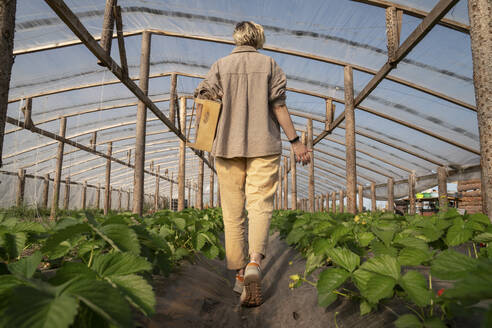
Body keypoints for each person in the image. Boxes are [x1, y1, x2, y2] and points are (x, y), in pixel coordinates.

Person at [194, 21, 311, 307]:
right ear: (259, 39)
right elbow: (279, 106)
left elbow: (203, 102)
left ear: (236, 38)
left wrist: (206, 132)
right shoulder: (270, 64)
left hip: (226, 146)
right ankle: (255, 263)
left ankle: (238, 276)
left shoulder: (219, 66)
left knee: (232, 211)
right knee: (260, 205)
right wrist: (296, 142)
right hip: (264, 145)